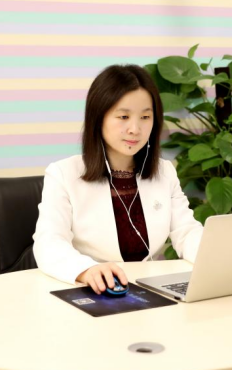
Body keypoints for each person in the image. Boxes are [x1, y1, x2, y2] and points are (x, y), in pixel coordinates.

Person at [32, 64, 204, 294]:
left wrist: (217, 255)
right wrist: (86, 270)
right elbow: (49, 242)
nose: (135, 129)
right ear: (98, 118)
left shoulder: (164, 172)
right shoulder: (63, 174)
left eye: (145, 117)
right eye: (123, 116)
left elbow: (186, 232)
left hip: (146, 291)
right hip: (91, 291)